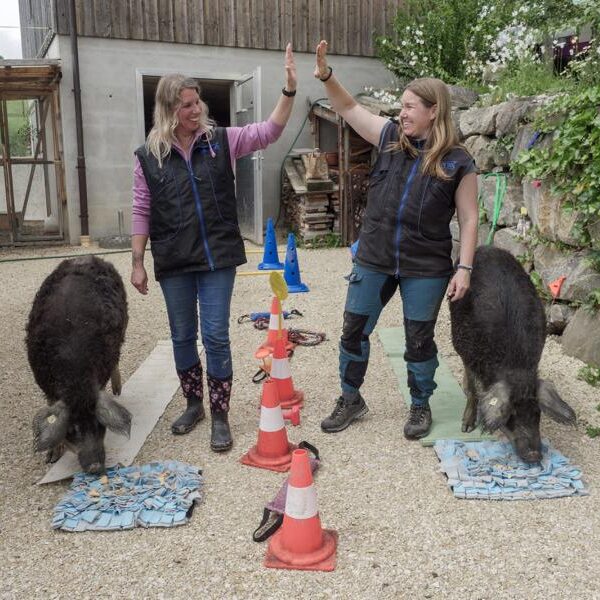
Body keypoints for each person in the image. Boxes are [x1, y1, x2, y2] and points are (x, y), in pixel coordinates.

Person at [131, 45, 297, 452]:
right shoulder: (148, 158)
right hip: (174, 259)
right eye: (186, 105)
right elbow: (141, 208)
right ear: (169, 111)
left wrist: (289, 91)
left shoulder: (221, 141)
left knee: (216, 336)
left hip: (216, 258)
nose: (196, 109)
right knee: (182, 336)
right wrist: (137, 262)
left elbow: (269, 131)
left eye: (197, 101)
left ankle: (220, 415)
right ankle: (194, 405)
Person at [314, 41, 478, 440]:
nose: (401, 113)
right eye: (401, 106)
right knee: (353, 329)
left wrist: (465, 268)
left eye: (409, 106)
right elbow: (348, 108)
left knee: (418, 340)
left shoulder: (458, 161)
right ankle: (350, 398)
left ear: (433, 111)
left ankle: (420, 404)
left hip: (426, 266)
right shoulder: (388, 137)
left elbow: (469, 217)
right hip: (375, 257)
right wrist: (327, 76)